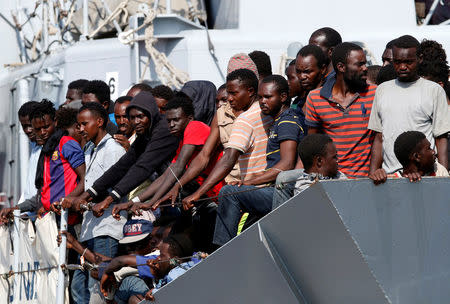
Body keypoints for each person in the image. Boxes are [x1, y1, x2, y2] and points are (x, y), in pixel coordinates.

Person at [213, 75, 304, 246]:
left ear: (283, 97)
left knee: (229, 193)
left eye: (268, 97)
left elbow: (287, 164)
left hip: (283, 194)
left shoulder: (287, 122)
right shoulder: (277, 120)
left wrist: (249, 181)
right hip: (274, 189)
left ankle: (220, 249)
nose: (262, 101)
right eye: (260, 97)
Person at [67, 91, 179, 220]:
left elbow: (143, 167)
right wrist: (87, 194)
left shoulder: (164, 129)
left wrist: (109, 199)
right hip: (165, 194)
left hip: (186, 193)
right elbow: (122, 165)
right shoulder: (146, 133)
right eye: (132, 117)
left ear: (151, 114)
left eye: (140, 116)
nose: (136, 122)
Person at [182, 69, 273, 209]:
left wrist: (198, 193)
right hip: (246, 185)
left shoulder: (246, 119)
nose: (229, 99)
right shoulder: (262, 112)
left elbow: (228, 157)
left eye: (233, 93)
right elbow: (205, 155)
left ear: (250, 91)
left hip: (251, 189)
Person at [64, 102, 126, 304]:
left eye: (84, 124)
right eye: (78, 125)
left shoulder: (113, 149)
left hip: (106, 228)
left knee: (99, 287)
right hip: (91, 228)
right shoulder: (90, 148)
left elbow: (113, 188)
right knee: (81, 287)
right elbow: (89, 183)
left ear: (99, 122)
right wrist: (71, 199)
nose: (80, 129)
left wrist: (80, 201)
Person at [368, 35, 450, 181]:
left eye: (408, 62)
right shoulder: (382, 90)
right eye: (397, 62)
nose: (402, 67)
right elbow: (379, 138)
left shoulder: (434, 90)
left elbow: (441, 137)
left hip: (426, 176)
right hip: (391, 176)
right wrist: (373, 173)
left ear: (420, 58)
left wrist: (442, 178)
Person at [0, 100, 85, 220]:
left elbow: (85, 178)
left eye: (46, 127)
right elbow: (42, 194)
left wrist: (68, 200)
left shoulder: (66, 143)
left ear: (55, 122)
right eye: (38, 129)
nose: (43, 132)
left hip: (69, 219)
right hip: (51, 219)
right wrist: (18, 208)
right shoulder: (46, 151)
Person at [306, 42, 375, 178]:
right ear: (341, 67)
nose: (365, 68)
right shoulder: (315, 98)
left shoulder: (375, 94)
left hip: (366, 179)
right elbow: (312, 145)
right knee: (284, 180)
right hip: (331, 178)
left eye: (365, 63)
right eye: (359, 64)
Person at [272, 134, 346, 209]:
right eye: (334, 157)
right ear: (319, 161)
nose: (337, 160)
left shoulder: (339, 176)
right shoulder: (303, 191)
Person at [370, 131, 449, 184]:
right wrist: (377, 179)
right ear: (416, 157)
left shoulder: (439, 171)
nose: (433, 152)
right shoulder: (392, 181)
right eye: (429, 148)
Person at [294, 44, 328, 125]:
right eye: (298, 72)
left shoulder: (328, 101)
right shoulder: (299, 101)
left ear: (323, 69)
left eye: (307, 72)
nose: (302, 77)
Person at [17, 101, 41, 204]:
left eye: (30, 125)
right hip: (29, 212)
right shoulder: (35, 148)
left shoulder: (49, 150)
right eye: (24, 126)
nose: (27, 130)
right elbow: (29, 189)